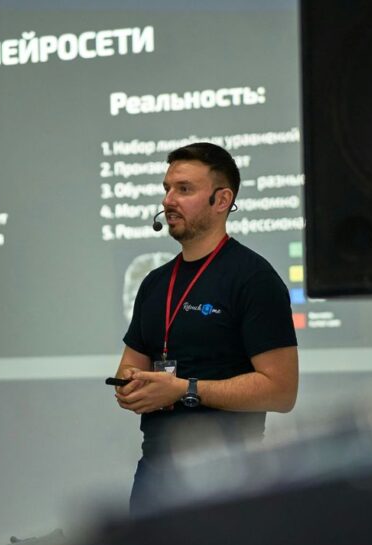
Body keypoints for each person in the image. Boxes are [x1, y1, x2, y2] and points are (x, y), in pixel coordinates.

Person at [114, 142, 299, 516]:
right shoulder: (154, 283)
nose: (169, 200)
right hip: (155, 476)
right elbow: (128, 367)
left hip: (230, 479)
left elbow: (282, 391)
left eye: (184, 189)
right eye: (167, 188)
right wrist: (131, 385)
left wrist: (185, 390)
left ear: (221, 200)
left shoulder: (254, 279)